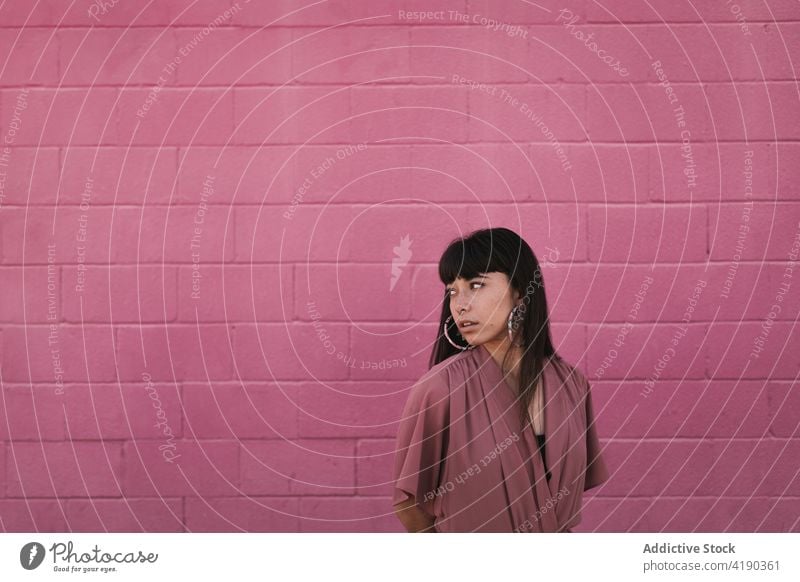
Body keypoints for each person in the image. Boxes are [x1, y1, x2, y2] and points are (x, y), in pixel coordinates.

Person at [392, 227, 609, 532]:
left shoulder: (572, 384)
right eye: (452, 290)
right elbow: (410, 506)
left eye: (476, 285)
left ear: (520, 289)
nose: (460, 304)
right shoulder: (439, 389)